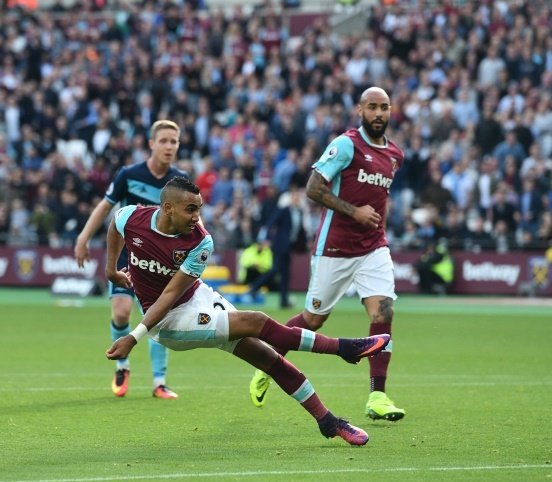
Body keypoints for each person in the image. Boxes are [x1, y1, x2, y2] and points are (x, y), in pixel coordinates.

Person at [105, 176, 390, 445]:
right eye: (190, 209)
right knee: (255, 321)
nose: (197, 217)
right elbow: (116, 228)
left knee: (269, 358)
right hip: (168, 322)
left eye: (199, 209)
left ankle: (328, 422)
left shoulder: (200, 241)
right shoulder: (132, 217)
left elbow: (173, 290)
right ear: (167, 208)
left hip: (196, 299)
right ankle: (343, 348)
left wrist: (132, 336)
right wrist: (111, 272)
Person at [249, 87, 406, 421]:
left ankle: (378, 395)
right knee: (312, 319)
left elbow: (381, 199)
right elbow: (313, 188)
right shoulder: (346, 145)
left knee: (384, 312)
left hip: (374, 247)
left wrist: (380, 228)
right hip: (335, 248)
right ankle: (267, 363)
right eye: (373, 107)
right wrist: (354, 212)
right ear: (360, 109)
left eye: (384, 108)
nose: (379, 113)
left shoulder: (395, 154)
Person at [75, 120, 188, 400]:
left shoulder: (178, 181)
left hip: (160, 259)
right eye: (163, 141)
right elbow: (106, 206)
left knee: (157, 319)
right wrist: (83, 237)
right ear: (151, 143)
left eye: (174, 141)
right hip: (128, 254)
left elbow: (191, 219)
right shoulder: (129, 174)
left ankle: (159, 382)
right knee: (122, 313)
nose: (169, 146)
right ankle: (122, 367)